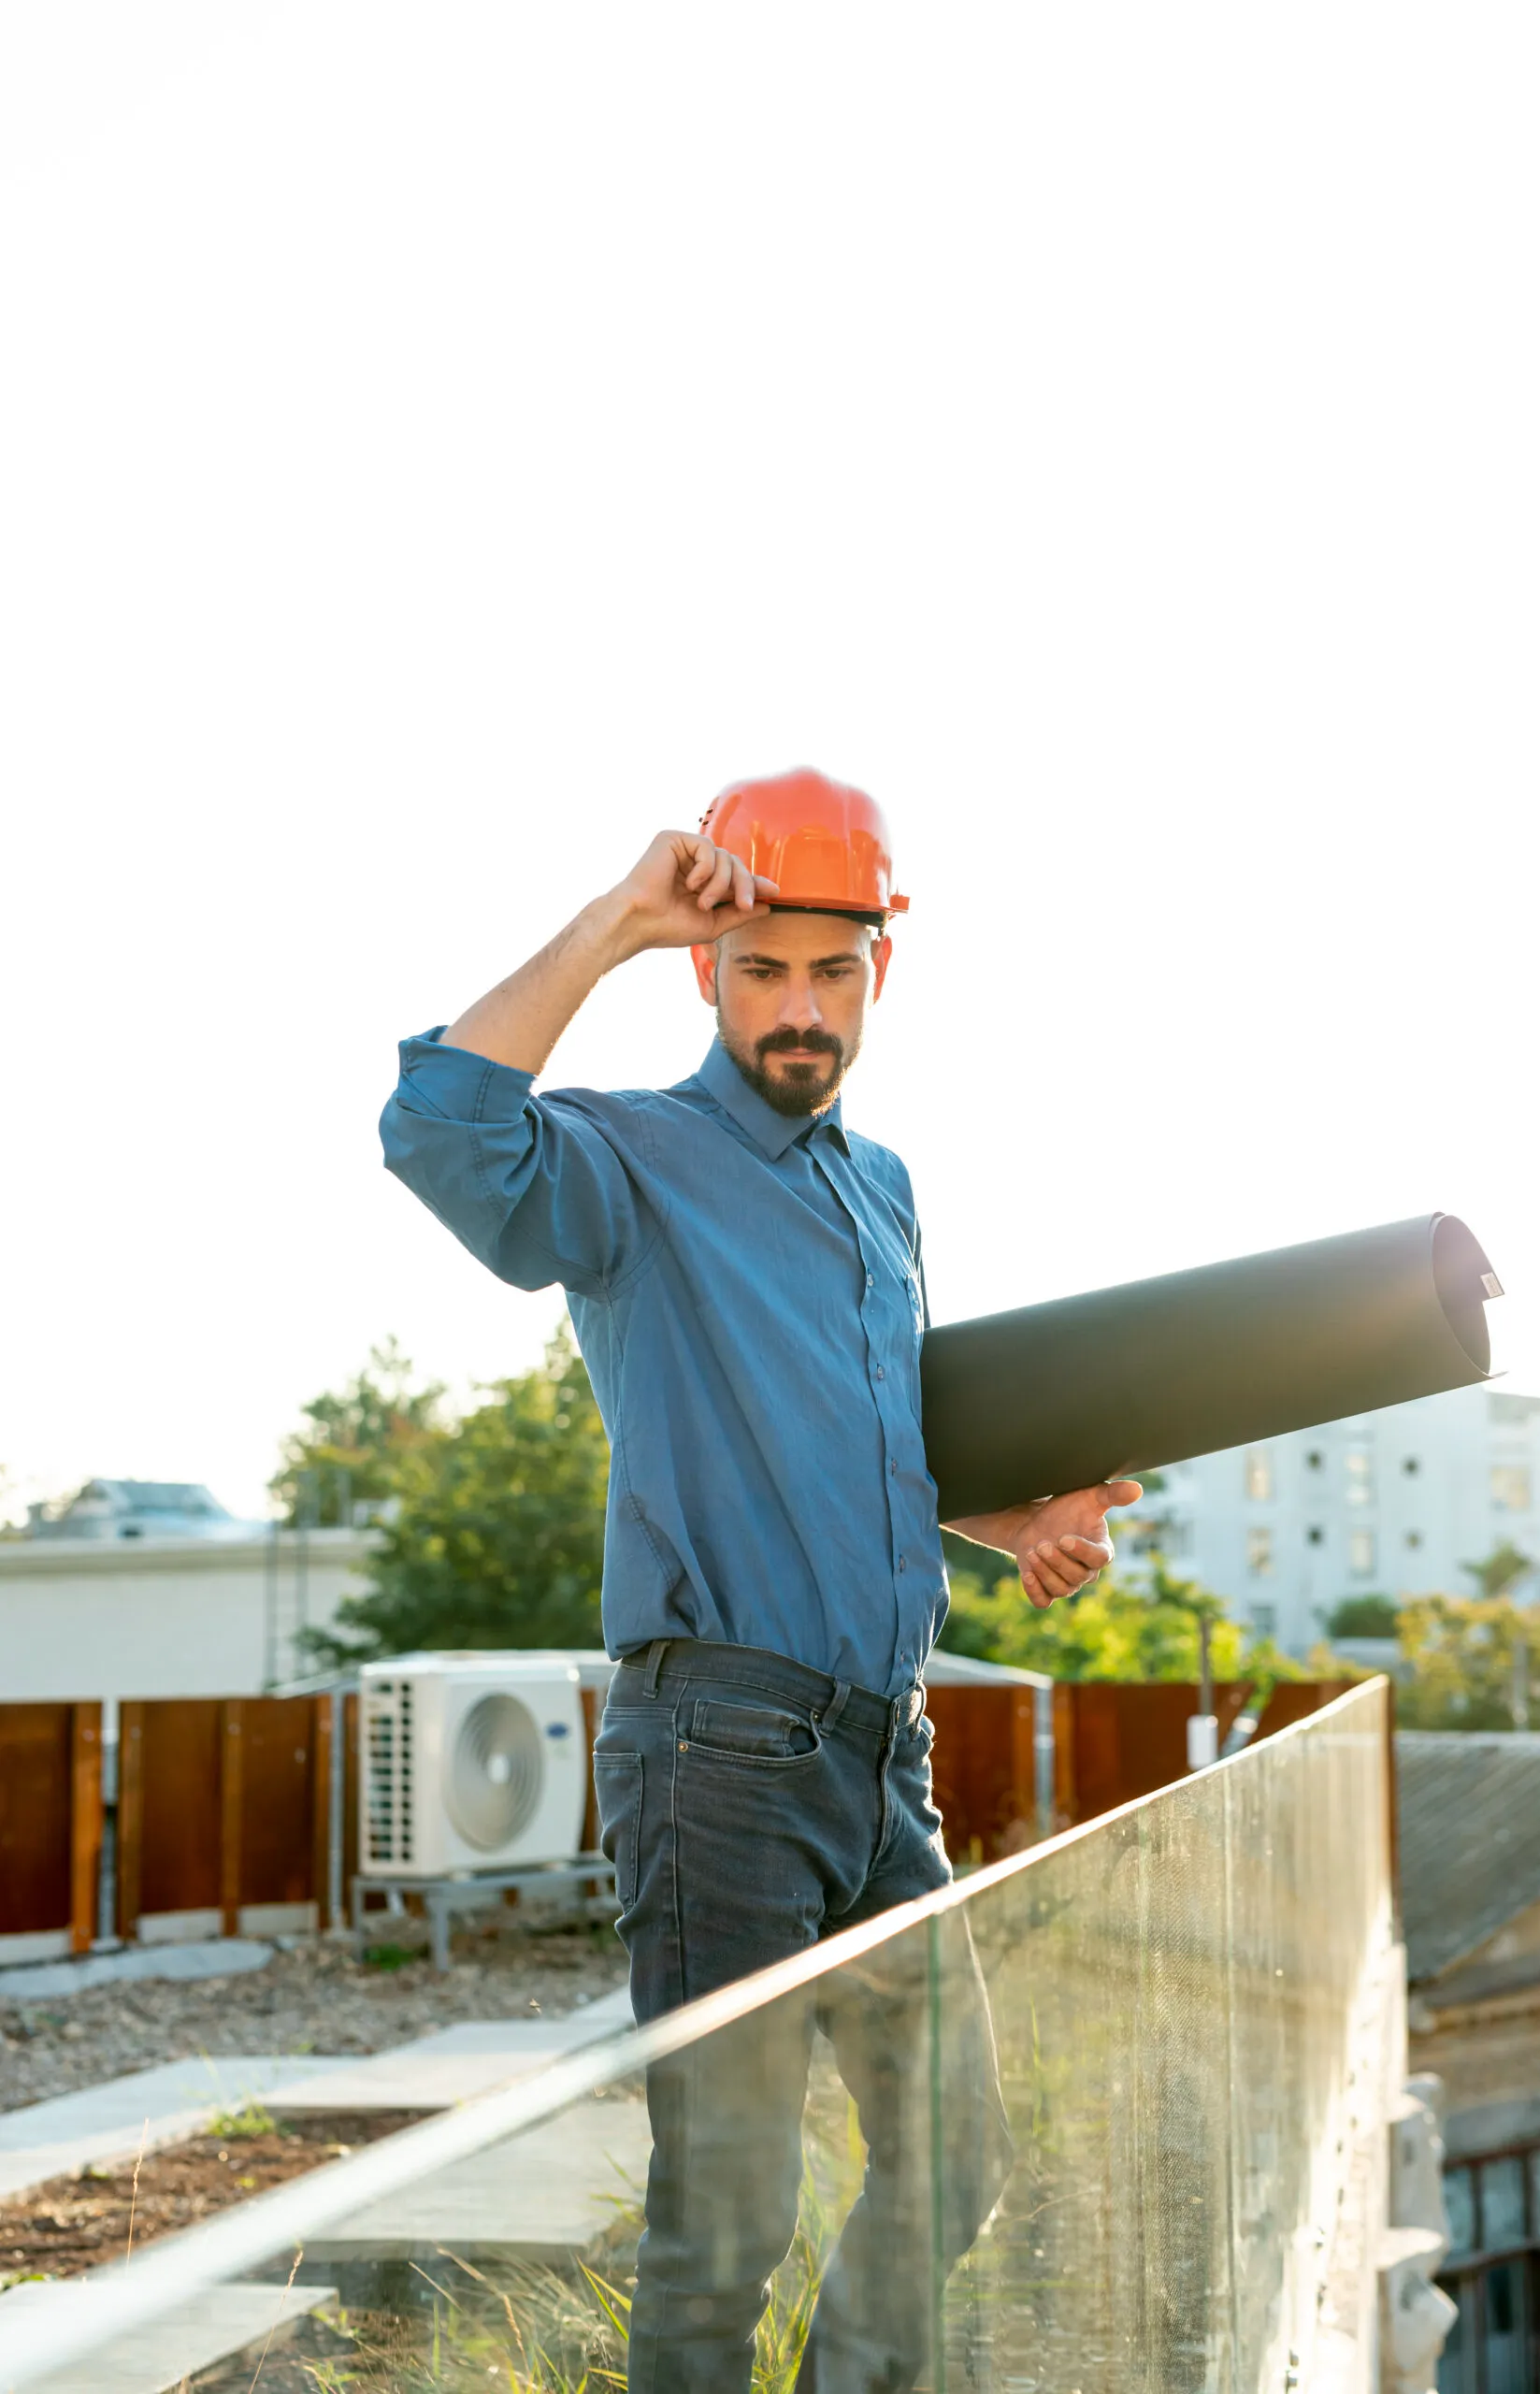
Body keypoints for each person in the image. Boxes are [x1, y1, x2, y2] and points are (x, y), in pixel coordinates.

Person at [379, 768, 1140, 2391]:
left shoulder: (885, 1193)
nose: (800, 1008)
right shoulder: (632, 1163)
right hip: (717, 1753)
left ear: (884, 972)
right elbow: (436, 1128)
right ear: (706, 974)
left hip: (884, 1761)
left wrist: (1013, 1526)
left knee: (954, 2150)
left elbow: (869, 1443)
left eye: (832, 970)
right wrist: (614, 922)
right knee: (725, 2225)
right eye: (760, 968)